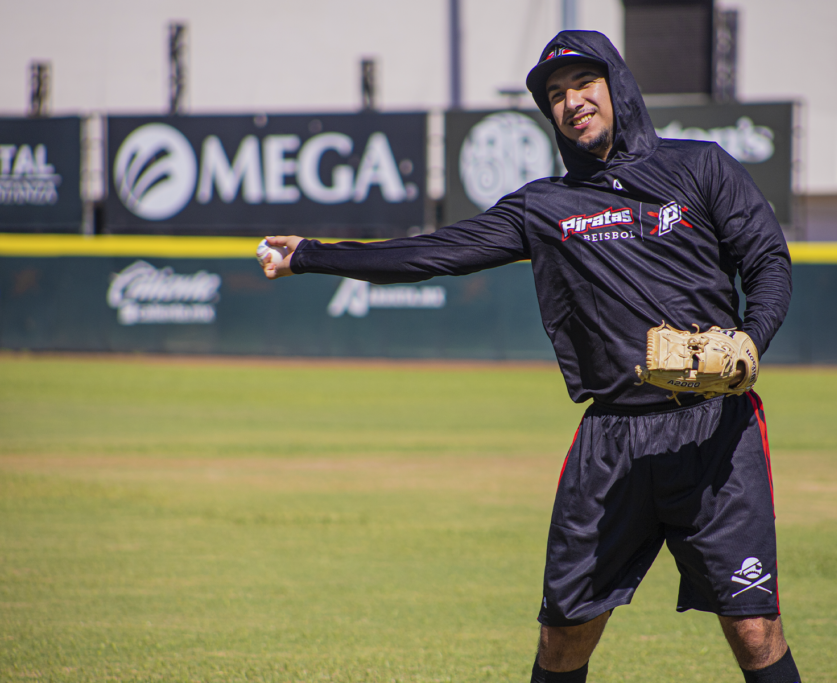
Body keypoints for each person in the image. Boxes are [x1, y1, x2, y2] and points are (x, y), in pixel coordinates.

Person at [262, 30, 799, 683]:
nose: (572, 102)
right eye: (556, 95)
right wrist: (311, 254)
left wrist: (749, 340)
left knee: (754, 628)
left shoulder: (702, 167)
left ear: (617, 85)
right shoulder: (545, 206)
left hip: (715, 433)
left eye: (583, 83)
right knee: (564, 638)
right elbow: (435, 252)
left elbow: (767, 260)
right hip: (614, 441)